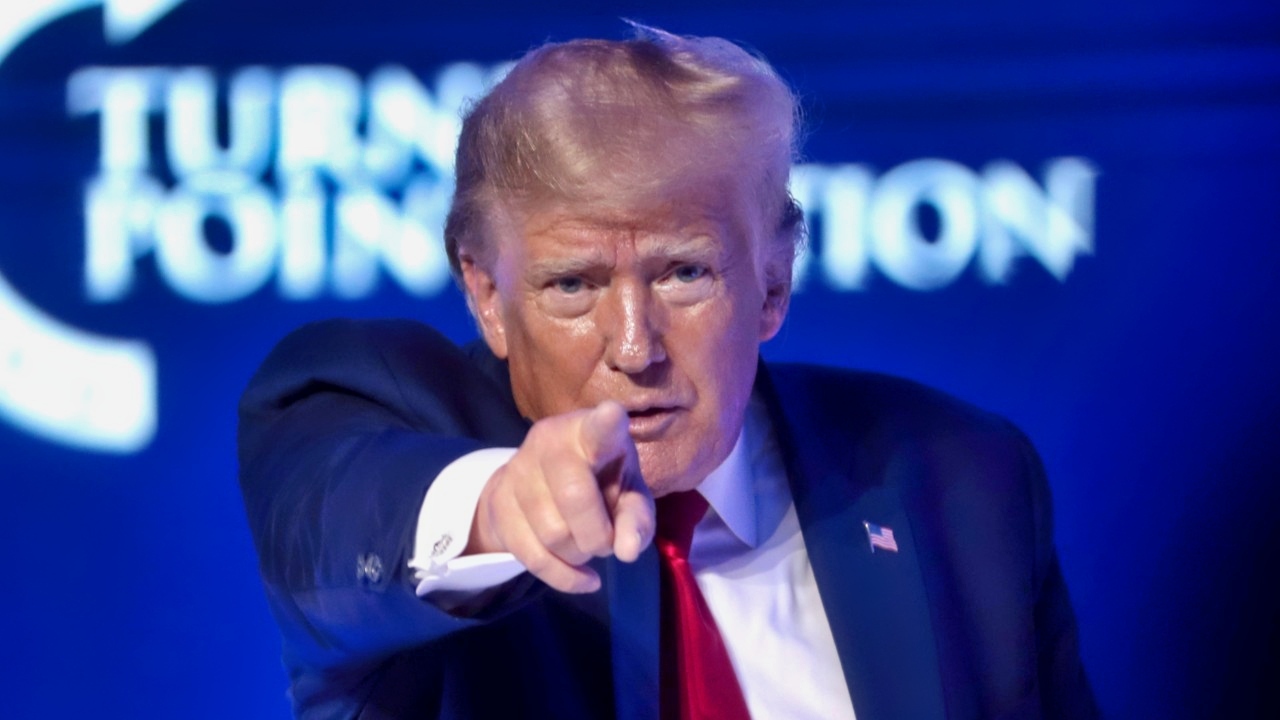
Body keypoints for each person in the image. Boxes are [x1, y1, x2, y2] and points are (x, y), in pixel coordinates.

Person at [238, 25, 1098, 720]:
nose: (634, 347)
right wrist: (499, 509)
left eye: (685, 273)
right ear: (487, 294)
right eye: (572, 285)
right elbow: (333, 526)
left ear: (772, 282)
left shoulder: (959, 476)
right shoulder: (383, 405)